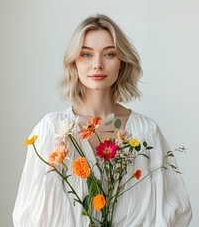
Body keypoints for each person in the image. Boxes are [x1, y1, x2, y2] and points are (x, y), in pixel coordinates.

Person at [13, 14, 192, 226]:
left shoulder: (145, 132)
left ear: (121, 62)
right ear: (74, 62)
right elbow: (30, 215)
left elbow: (172, 211)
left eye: (109, 54)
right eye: (86, 54)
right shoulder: (51, 130)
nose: (97, 64)